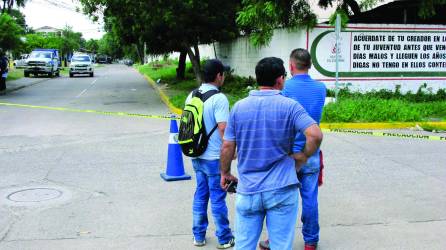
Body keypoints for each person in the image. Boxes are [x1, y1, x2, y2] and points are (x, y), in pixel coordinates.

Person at [220, 57, 323, 250]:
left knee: (243, 246)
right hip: (282, 189)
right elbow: (315, 135)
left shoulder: (238, 107)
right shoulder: (290, 106)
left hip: (248, 189)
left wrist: (225, 173)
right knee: (281, 245)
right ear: (280, 80)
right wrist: (303, 156)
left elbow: (227, 147)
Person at [259, 49, 326, 250]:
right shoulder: (321, 88)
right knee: (310, 198)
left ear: (290, 66)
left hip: (288, 155)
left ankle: (273, 240)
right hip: (311, 152)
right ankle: (311, 241)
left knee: (278, 200)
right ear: (310, 65)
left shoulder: (284, 90)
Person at [185, 59, 235, 249]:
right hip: (214, 157)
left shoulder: (192, 95)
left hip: (196, 153)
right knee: (217, 197)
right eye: (223, 74)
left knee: (200, 194)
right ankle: (224, 238)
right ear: (218, 76)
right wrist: (232, 152)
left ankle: (198, 236)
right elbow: (224, 130)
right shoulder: (219, 98)